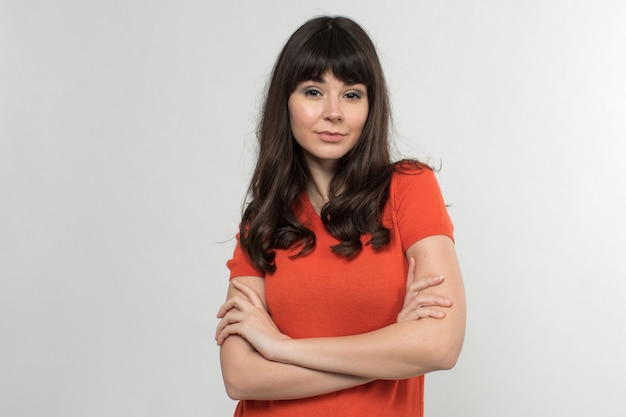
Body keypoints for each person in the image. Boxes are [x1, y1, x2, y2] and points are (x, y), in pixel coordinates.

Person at [215, 15, 466, 417]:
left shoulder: (408, 188)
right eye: (314, 91)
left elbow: (440, 345)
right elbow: (241, 376)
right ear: (286, 102)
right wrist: (393, 349)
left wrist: (282, 349)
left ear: (371, 106)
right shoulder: (263, 220)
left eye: (352, 95)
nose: (333, 112)